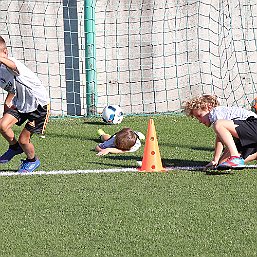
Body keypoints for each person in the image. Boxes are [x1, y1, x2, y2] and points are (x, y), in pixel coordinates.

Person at [0, 36, 50, 172]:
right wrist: (7, 101)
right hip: (21, 103)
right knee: (2, 125)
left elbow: (14, 68)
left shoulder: (12, 63)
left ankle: (32, 160)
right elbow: (13, 86)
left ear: (5, 52)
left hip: (39, 105)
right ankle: (14, 147)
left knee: (24, 140)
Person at [182, 94, 257, 169]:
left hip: (253, 125)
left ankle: (235, 157)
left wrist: (215, 159)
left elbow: (220, 138)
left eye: (199, 116)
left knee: (218, 124)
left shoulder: (216, 112)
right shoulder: (222, 120)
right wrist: (217, 161)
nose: (200, 121)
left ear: (208, 107)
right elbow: (224, 139)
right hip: (250, 134)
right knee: (222, 164)